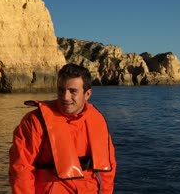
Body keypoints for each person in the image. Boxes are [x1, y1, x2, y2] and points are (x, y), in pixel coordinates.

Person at [9, 63, 116, 193]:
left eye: (73, 91)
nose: (65, 97)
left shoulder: (97, 120)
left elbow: (108, 169)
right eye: (61, 90)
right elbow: (21, 169)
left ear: (87, 94)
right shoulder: (34, 121)